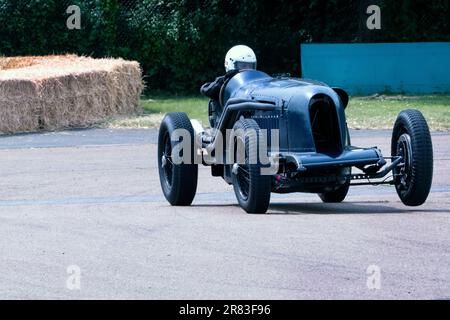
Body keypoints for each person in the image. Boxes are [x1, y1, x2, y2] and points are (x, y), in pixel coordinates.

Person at [200, 45, 257, 127]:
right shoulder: (223, 82)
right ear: (231, 64)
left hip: (250, 128)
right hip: (225, 128)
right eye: (243, 66)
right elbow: (205, 89)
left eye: (250, 66)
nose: (248, 69)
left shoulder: (254, 83)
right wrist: (224, 81)